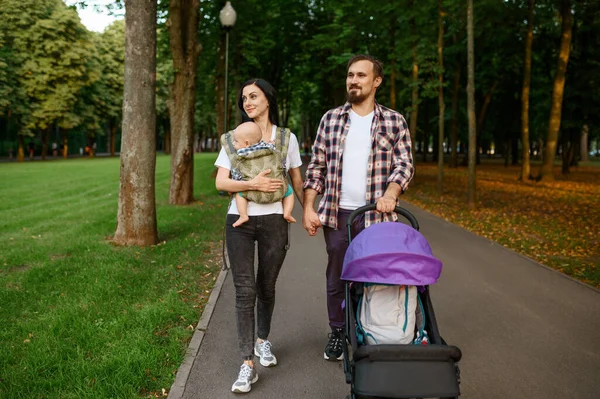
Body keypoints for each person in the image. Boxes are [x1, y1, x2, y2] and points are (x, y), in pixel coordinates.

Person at [302, 54, 415, 361]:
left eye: (361, 76)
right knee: (337, 276)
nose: (353, 80)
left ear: (376, 81)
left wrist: (391, 193)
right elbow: (316, 167)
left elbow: (404, 165)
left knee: (374, 276)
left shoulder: (393, 121)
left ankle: (370, 329)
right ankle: (338, 331)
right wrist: (309, 207)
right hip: (337, 215)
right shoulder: (331, 119)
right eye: (350, 75)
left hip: (377, 216)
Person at [214, 78, 304, 393]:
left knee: (266, 286)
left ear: (268, 99)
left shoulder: (286, 139)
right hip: (239, 221)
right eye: (244, 98)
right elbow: (221, 183)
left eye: (253, 96)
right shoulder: (235, 138)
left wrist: (308, 212)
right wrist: (253, 185)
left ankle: (263, 340)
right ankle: (246, 362)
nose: (247, 102)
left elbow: (295, 178)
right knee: (244, 290)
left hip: (275, 220)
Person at [227, 121, 296, 228]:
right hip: (277, 187)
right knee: (289, 191)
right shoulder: (267, 146)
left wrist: (233, 185)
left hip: (250, 192)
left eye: (235, 141)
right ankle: (287, 212)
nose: (233, 143)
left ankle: (243, 215)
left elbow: (237, 172)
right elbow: (274, 149)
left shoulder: (240, 154)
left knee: (239, 194)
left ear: (246, 143)